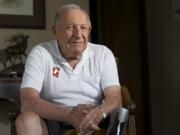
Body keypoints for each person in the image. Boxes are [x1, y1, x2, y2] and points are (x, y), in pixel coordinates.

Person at [15, 4, 122, 135]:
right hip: (53, 118)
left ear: (89, 30)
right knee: (26, 120)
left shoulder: (103, 53)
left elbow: (115, 98)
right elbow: (27, 102)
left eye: (83, 28)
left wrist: (99, 113)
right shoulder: (40, 53)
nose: (78, 35)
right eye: (70, 27)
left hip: (93, 118)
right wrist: (69, 114)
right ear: (55, 31)